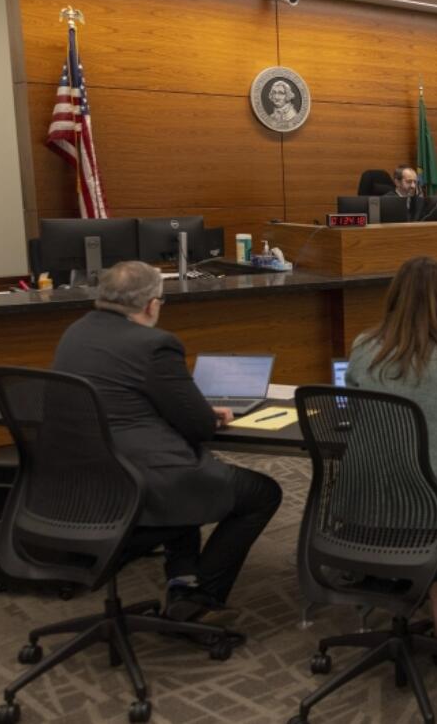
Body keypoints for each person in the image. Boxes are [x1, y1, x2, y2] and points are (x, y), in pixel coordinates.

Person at [52, 261, 282, 622]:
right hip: (143, 483)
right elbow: (199, 427)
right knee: (261, 492)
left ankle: (183, 579)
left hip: (85, 482)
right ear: (150, 305)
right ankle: (201, 598)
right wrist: (207, 415)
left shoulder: (75, 333)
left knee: (185, 458)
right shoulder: (155, 344)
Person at [345, 256, 437, 650]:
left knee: (428, 519)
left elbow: (359, 419)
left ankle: (405, 606)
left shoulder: (362, 348)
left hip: (369, 505)